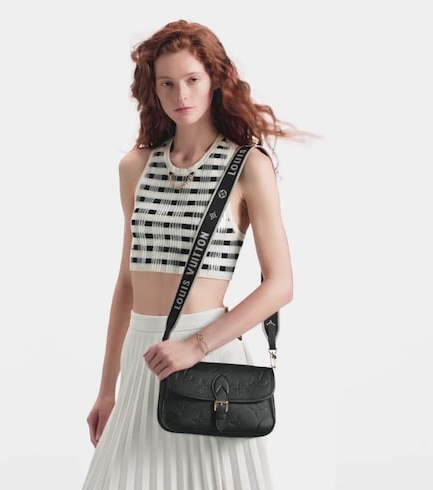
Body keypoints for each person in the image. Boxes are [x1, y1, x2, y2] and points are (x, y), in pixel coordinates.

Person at [82, 19, 299, 490]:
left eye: (192, 79)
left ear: (215, 79)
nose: (180, 94)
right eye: (167, 83)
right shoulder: (135, 167)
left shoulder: (248, 165)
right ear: (152, 89)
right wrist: (106, 388)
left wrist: (195, 347)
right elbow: (127, 283)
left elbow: (280, 284)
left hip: (210, 358)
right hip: (145, 357)